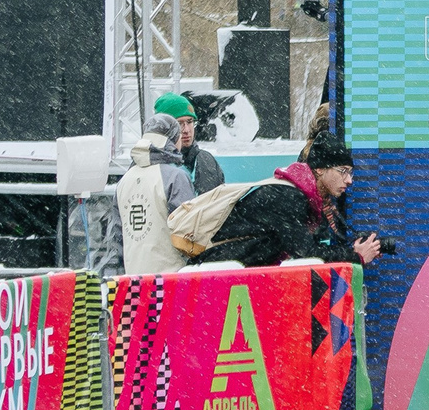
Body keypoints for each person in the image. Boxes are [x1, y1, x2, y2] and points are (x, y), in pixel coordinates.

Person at [190, 131, 384, 269]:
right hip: (219, 272)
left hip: (232, 271)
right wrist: (355, 256)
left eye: (350, 173)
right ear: (320, 169)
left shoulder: (305, 196)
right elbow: (306, 252)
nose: (349, 180)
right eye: (343, 171)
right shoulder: (287, 197)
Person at [117, 113, 196, 276]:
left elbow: (116, 237)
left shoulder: (124, 180)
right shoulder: (175, 176)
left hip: (134, 280)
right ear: (174, 141)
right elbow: (189, 231)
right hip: (172, 278)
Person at [153, 92, 226, 194]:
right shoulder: (149, 164)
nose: (186, 130)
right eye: (179, 123)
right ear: (164, 128)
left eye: (190, 121)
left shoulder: (207, 161)